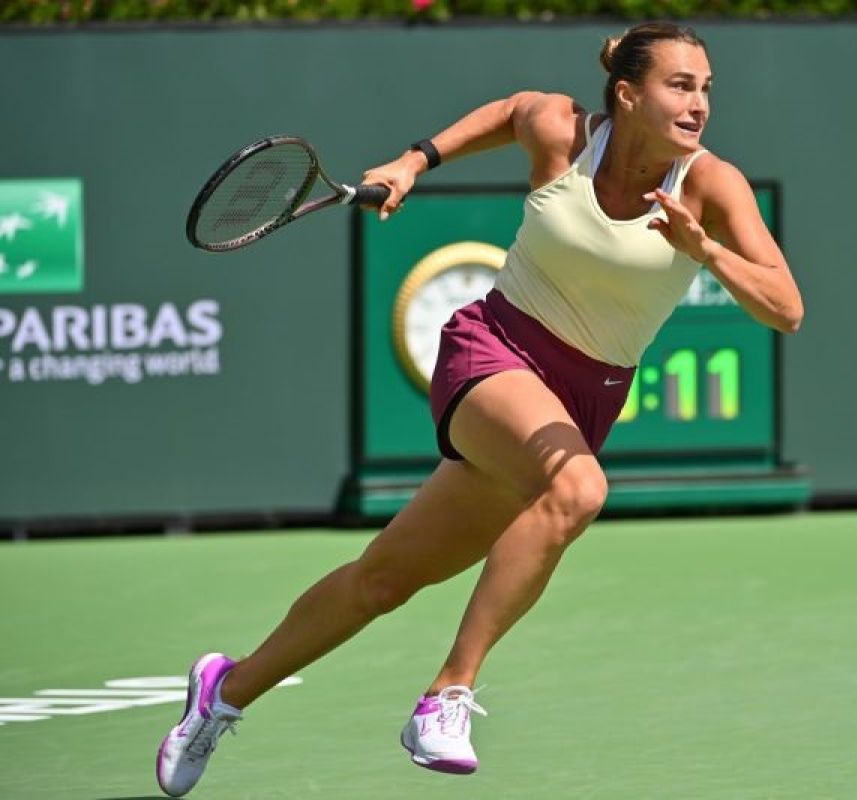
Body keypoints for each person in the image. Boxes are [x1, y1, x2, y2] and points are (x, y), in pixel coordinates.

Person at [155, 20, 803, 797]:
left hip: (581, 401)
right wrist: (412, 162)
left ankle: (223, 690)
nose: (698, 103)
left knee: (383, 580)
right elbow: (507, 110)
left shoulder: (709, 184)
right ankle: (447, 695)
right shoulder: (564, 133)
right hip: (492, 353)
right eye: (679, 85)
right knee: (579, 490)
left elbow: (786, 308)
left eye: (705, 88)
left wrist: (707, 253)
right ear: (627, 94)